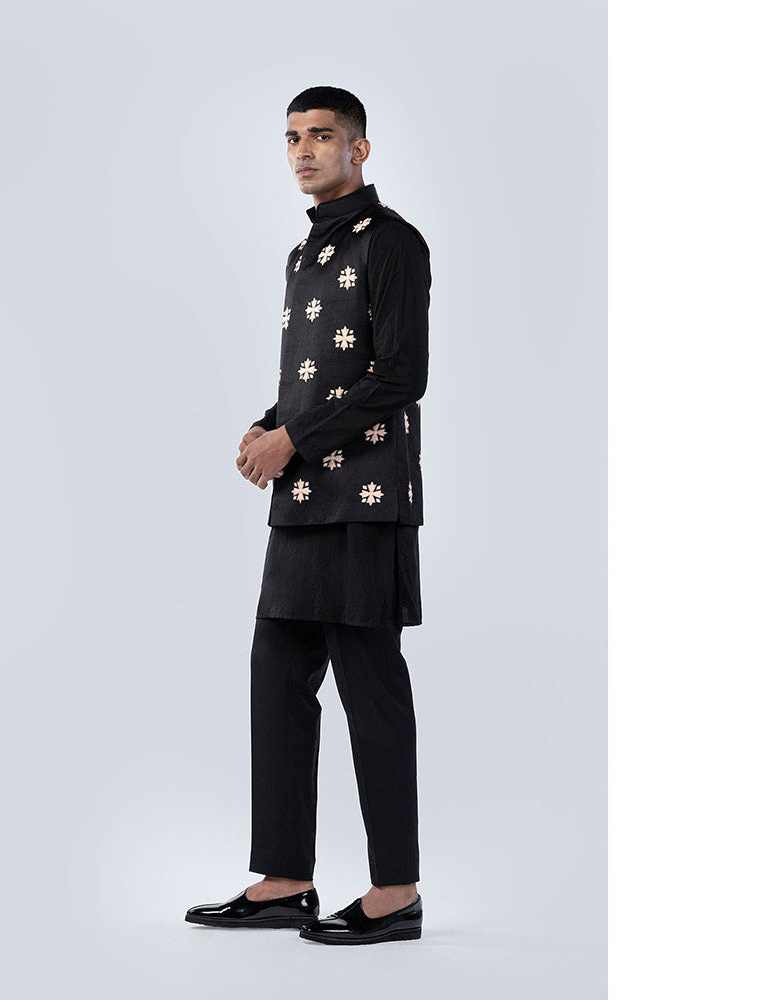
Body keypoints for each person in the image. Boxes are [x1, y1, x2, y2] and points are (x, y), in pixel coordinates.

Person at [185, 86, 430, 946]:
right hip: (301, 502)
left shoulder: (393, 242)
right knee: (277, 677)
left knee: (370, 686)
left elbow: (400, 376)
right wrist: (269, 427)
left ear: (358, 149)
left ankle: (396, 891)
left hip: (366, 501)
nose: (303, 150)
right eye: (292, 137)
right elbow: (319, 377)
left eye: (322, 135)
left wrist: (291, 438)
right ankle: (285, 879)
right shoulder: (305, 254)